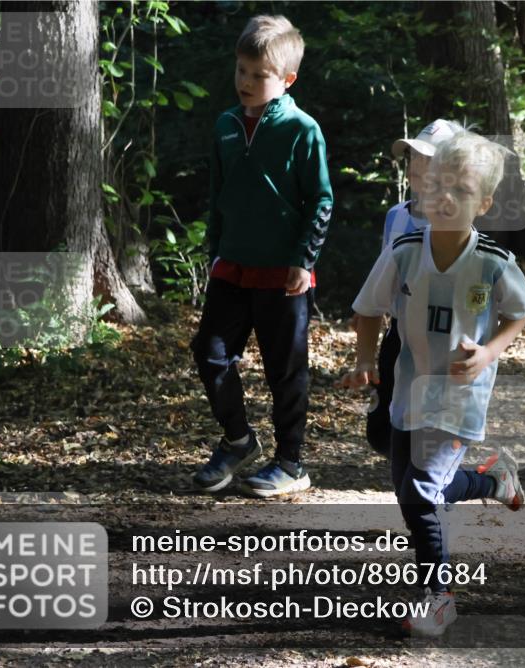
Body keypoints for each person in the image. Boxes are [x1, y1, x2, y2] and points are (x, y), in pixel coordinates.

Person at [341, 130, 525, 637]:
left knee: (422, 492)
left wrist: (488, 351)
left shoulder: (493, 260)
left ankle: (439, 598)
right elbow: (367, 308)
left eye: (462, 189)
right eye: (440, 185)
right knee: (411, 489)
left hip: (460, 398)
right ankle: (495, 482)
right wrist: (365, 359)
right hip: (409, 390)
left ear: (485, 203)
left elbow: (520, 311)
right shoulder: (405, 249)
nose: (447, 196)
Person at [191, 15, 332, 497]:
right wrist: (215, 250)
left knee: (284, 370)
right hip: (232, 266)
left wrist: (303, 258)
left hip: (284, 275)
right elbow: (217, 193)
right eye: (242, 71)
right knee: (209, 353)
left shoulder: (301, 129)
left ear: (286, 79)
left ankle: (291, 463)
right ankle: (237, 440)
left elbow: (321, 200)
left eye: (260, 75)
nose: (247, 83)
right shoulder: (226, 125)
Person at [363, 119, 464, 456]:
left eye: (430, 159)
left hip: (442, 335)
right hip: (399, 331)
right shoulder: (395, 216)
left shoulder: (458, 221)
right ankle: (411, 466)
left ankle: (424, 475)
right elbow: (384, 272)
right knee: (380, 428)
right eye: (414, 157)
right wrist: (370, 311)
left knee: (426, 423)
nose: (419, 165)